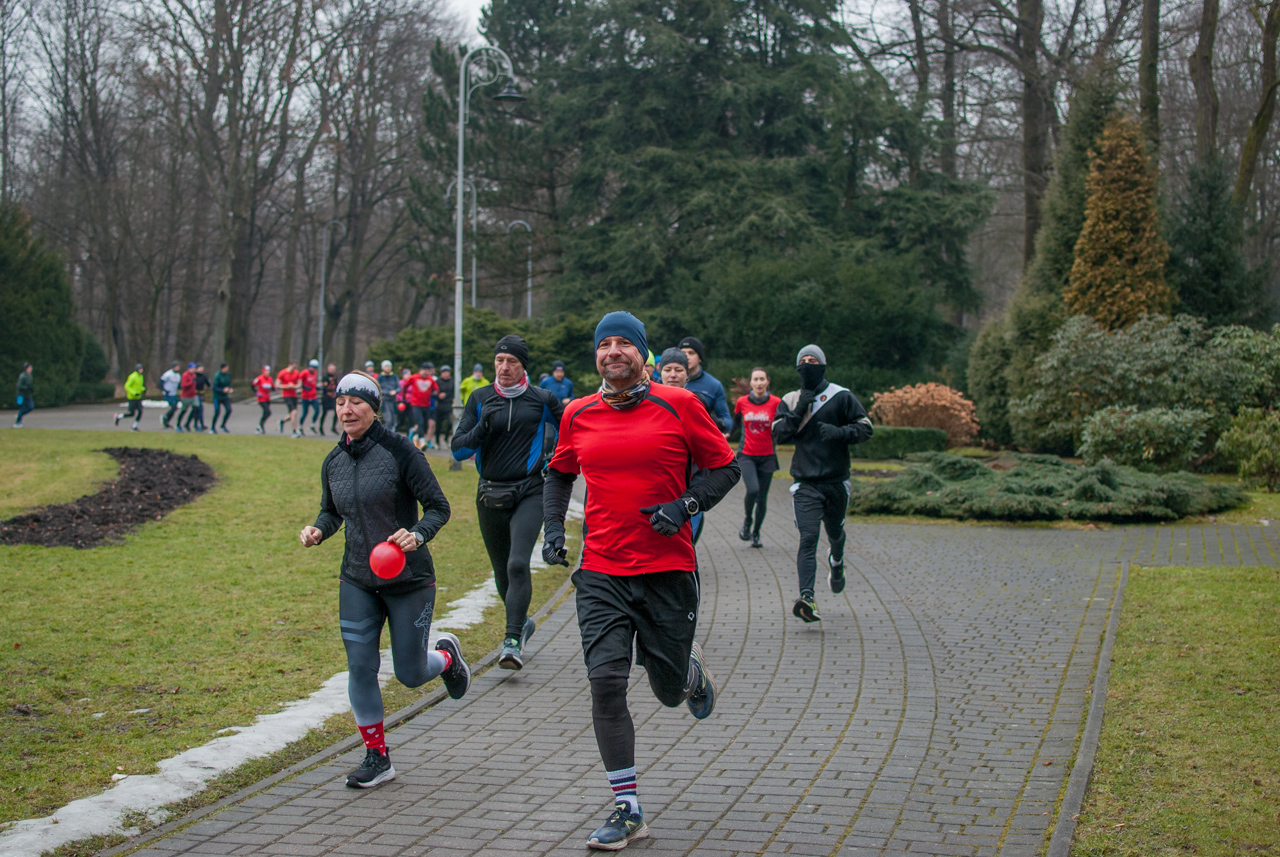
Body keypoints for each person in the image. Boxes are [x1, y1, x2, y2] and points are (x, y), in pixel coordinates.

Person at [541, 312, 740, 850]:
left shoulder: (681, 405)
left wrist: (684, 506)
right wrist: (553, 528)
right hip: (601, 571)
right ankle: (627, 808)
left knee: (668, 692)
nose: (612, 351)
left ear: (642, 353)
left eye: (623, 343)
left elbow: (726, 468)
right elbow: (559, 473)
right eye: (603, 343)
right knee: (605, 682)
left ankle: (688, 671)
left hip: (667, 571)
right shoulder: (577, 412)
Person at [299, 371, 471, 788]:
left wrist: (418, 534)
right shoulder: (334, 460)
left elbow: (438, 507)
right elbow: (331, 511)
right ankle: (377, 756)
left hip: (408, 579)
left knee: (409, 674)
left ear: (374, 408)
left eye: (356, 402)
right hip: (357, 578)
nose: (346, 410)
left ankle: (447, 658)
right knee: (360, 667)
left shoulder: (402, 451)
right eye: (340, 402)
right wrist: (319, 529)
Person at [451, 336, 564, 670]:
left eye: (511, 361)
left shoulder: (542, 399)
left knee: (517, 564)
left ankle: (512, 640)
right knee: (502, 571)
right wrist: (481, 429)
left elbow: (572, 433)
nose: (504, 367)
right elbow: (458, 450)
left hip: (530, 491)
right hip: (489, 494)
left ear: (523, 365)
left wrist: (554, 461)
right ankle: (522, 622)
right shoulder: (479, 398)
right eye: (499, 360)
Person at [771, 345, 874, 623]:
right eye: (803, 360)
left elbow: (866, 428)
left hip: (836, 481)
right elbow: (778, 434)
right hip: (805, 483)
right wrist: (800, 409)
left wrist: (840, 433)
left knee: (835, 532)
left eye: (813, 360)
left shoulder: (841, 396)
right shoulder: (791, 399)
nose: (808, 364)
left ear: (823, 366)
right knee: (808, 538)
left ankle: (836, 560)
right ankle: (807, 598)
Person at [655, 348, 712, 545]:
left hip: (691, 489)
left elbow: (709, 448)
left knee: (686, 544)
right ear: (660, 373)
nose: (673, 375)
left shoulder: (698, 403)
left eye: (678, 370)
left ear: (688, 374)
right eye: (668, 369)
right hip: (659, 489)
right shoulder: (648, 403)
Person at [732, 368, 782, 548]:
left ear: (768, 381)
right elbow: (735, 423)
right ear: (751, 382)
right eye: (756, 379)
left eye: (762, 379)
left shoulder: (776, 402)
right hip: (747, 455)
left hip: (768, 456)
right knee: (753, 490)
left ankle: (756, 533)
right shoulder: (742, 402)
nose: (759, 383)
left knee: (762, 498)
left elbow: (782, 427)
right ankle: (747, 520)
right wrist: (725, 434)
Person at [677, 336, 732, 433]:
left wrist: (715, 422)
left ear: (700, 358)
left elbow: (727, 421)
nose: (686, 356)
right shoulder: (666, 381)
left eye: (691, 353)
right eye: (683, 353)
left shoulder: (713, 385)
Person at [405, 363, 437, 448]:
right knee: (420, 422)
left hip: (426, 404)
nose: (426, 373)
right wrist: (404, 398)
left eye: (428, 371)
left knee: (425, 423)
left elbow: (436, 389)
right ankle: (422, 441)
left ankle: (413, 431)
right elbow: (405, 386)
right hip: (416, 404)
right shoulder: (414, 377)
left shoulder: (430, 379)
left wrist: (435, 393)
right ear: (420, 370)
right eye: (425, 370)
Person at [115, 364, 146, 431]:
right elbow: (127, 386)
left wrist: (143, 389)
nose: (141, 370)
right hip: (132, 398)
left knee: (140, 412)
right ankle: (119, 416)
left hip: (138, 397)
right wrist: (134, 393)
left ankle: (134, 426)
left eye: (141, 369)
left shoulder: (141, 377)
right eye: (140, 369)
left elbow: (139, 386)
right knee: (131, 413)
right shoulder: (132, 376)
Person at [276, 361, 301, 436]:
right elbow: (277, 385)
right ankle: (294, 431)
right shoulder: (282, 373)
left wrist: (294, 386)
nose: (294, 369)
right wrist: (287, 386)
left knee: (292, 415)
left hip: (294, 395)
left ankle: (282, 421)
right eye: (293, 367)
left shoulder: (296, 373)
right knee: (294, 412)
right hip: (286, 395)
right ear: (290, 365)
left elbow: (299, 384)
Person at [433, 365, 454, 447]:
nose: (446, 374)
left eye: (447, 372)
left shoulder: (452, 381)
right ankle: (437, 441)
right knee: (438, 424)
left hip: (448, 404)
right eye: (444, 372)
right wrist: (438, 395)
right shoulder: (438, 381)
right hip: (440, 405)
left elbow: (454, 392)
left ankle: (446, 437)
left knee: (450, 422)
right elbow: (433, 392)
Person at [176, 363, 199, 433]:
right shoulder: (185, 375)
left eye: (194, 369)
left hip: (193, 396)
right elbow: (184, 385)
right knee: (184, 411)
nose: (194, 370)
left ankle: (188, 423)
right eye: (192, 368)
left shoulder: (194, 375)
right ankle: (178, 425)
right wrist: (191, 382)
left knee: (196, 408)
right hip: (186, 396)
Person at [211, 363, 233, 434]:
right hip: (217, 396)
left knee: (229, 410)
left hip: (224, 396)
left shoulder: (228, 374)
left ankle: (223, 425)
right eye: (226, 368)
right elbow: (214, 388)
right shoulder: (218, 376)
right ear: (222, 368)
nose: (227, 369)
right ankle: (212, 428)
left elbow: (229, 383)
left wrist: (230, 388)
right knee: (217, 412)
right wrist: (222, 390)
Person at [377, 360, 400, 428]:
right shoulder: (380, 377)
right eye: (386, 366)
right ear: (383, 368)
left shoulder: (394, 376)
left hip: (393, 401)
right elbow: (378, 389)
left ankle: (392, 433)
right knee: (388, 420)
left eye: (389, 366)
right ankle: (387, 433)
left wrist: (395, 391)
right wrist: (388, 392)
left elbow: (399, 387)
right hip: (385, 401)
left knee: (394, 420)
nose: (388, 368)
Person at [318, 363, 339, 435]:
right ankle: (321, 427)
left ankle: (333, 427)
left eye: (334, 370)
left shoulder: (335, 377)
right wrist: (332, 389)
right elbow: (325, 387)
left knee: (336, 412)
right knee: (324, 413)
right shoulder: (325, 377)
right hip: (326, 398)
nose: (333, 371)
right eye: (332, 369)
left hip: (333, 398)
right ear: (328, 369)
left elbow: (336, 385)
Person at [252, 365, 274, 434]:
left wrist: (276, 388)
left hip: (267, 399)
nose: (268, 372)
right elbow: (252, 386)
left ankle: (260, 427)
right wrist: (257, 393)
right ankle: (260, 425)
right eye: (266, 371)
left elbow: (273, 387)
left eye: (268, 371)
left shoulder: (270, 379)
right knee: (268, 412)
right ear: (263, 371)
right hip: (261, 399)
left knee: (265, 413)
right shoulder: (259, 378)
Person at [299, 359, 320, 432]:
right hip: (305, 396)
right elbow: (299, 382)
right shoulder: (304, 373)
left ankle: (312, 424)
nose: (314, 369)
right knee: (305, 413)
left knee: (317, 411)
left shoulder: (315, 374)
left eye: (315, 368)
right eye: (313, 367)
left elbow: (313, 383)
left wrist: (316, 387)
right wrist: (304, 387)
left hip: (313, 396)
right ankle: (300, 426)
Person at [188, 363, 210, 431]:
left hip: (200, 395)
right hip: (194, 394)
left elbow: (208, 384)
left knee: (196, 410)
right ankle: (199, 425)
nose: (201, 369)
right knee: (199, 409)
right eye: (199, 368)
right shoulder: (194, 376)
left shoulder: (204, 376)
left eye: (202, 368)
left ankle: (189, 423)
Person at [14, 363, 34, 427]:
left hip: (27, 395)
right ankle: (17, 423)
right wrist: (26, 388)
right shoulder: (22, 376)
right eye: (29, 368)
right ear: (26, 369)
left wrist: (31, 388)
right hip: (21, 395)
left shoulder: (30, 376)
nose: (31, 369)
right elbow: (19, 386)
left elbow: (29, 385)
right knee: (22, 408)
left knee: (31, 407)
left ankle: (20, 415)